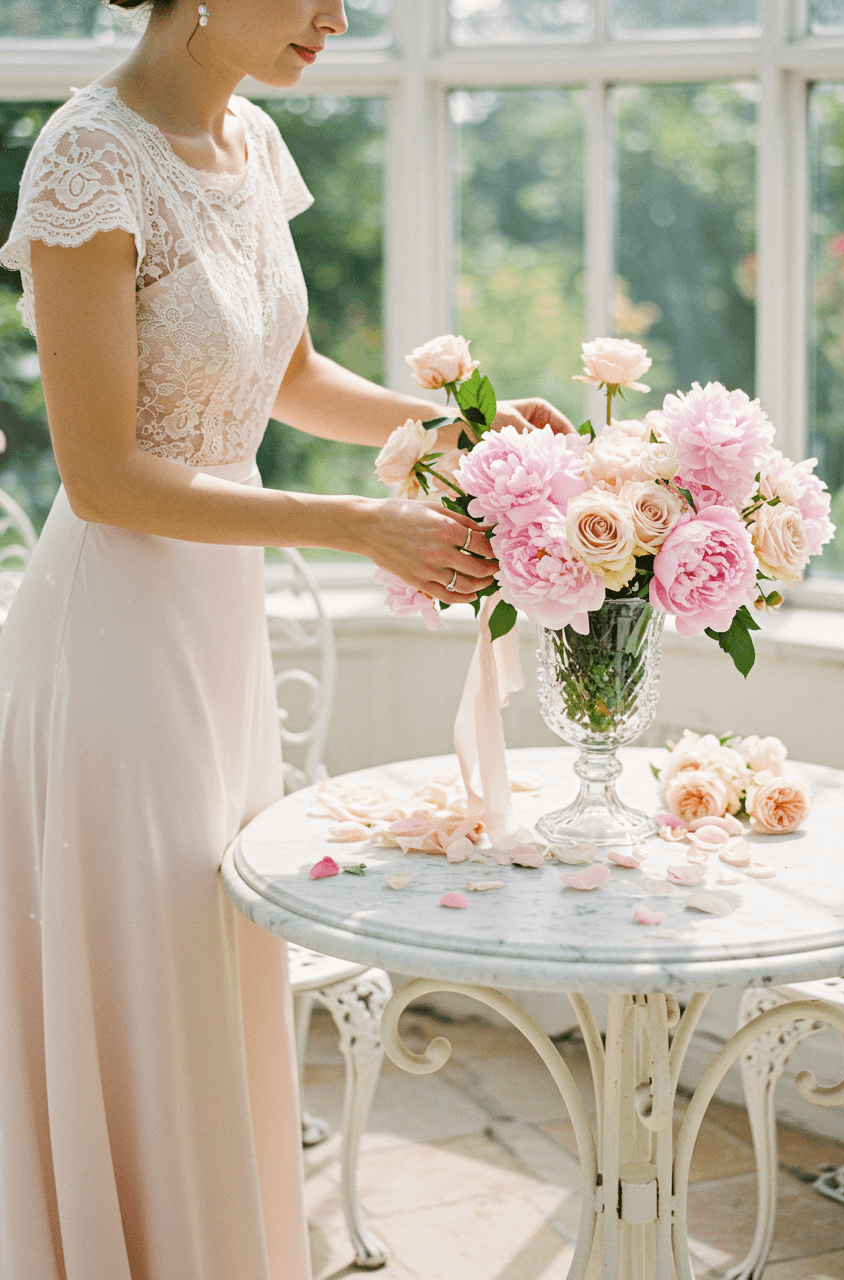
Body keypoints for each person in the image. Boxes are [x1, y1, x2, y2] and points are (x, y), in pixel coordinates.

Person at [0, 1, 575, 1277]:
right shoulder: (83, 159)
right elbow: (100, 478)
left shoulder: (251, 141)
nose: (337, 15)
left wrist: (453, 422)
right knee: (139, 975)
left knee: (209, 965)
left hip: (215, 630)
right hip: (111, 640)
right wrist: (355, 526)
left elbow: (289, 370)